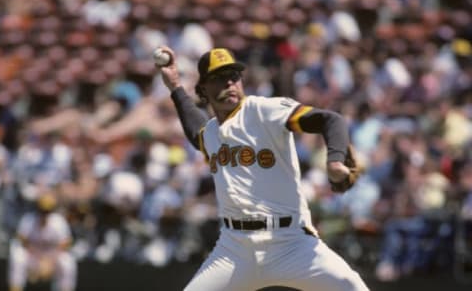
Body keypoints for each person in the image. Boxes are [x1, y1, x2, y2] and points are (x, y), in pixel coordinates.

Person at [156, 46, 369, 291]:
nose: (229, 83)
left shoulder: (264, 110)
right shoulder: (212, 132)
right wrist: (175, 88)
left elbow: (330, 120)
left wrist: (334, 160)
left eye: (233, 76)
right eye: (218, 79)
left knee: (352, 287)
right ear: (203, 89)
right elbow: (196, 132)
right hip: (235, 249)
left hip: (291, 242)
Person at [8, 193, 77, 291]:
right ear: (38, 209)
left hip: (52, 256)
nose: (45, 214)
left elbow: (66, 243)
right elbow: (22, 240)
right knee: (18, 256)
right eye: (42, 211)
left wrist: (50, 261)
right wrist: (40, 260)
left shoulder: (58, 222)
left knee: (67, 261)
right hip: (33, 256)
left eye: (48, 211)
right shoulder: (29, 220)